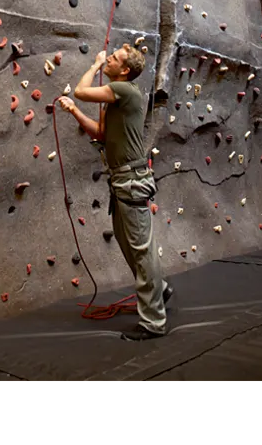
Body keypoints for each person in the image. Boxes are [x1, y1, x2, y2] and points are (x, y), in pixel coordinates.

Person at [56, 44, 173, 341]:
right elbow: (101, 135)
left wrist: (94, 65)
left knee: (141, 250)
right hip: (122, 181)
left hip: (131, 180)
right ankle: (158, 291)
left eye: (114, 59)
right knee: (128, 243)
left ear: (124, 70)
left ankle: (154, 322)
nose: (108, 57)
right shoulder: (115, 99)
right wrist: (74, 112)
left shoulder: (125, 90)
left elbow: (81, 91)